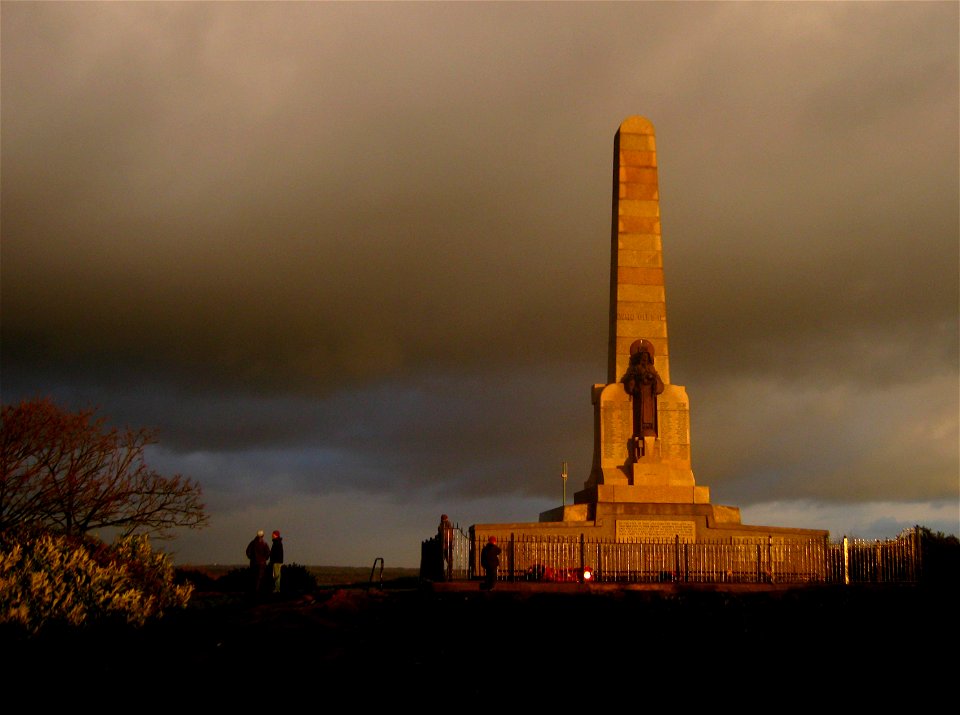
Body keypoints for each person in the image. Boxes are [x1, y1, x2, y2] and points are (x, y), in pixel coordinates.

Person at [621, 338, 664, 459]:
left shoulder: (653, 371)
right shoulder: (635, 370)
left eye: (646, 357)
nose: (644, 360)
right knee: (641, 415)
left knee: (649, 416)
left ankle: (649, 431)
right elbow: (630, 386)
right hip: (640, 398)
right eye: (642, 358)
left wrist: (653, 379)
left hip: (650, 398)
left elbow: (660, 387)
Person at [245, 529, 270, 595]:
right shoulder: (264, 543)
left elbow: (248, 551)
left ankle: (254, 591)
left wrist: (251, 558)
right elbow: (268, 553)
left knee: (253, 577)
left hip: (253, 563)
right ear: (263, 535)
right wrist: (264, 559)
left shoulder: (252, 543)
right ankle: (258, 591)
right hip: (261, 564)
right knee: (260, 578)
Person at [438, 514, 454, 581]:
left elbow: (441, 535)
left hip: (444, 545)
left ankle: (443, 575)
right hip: (448, 545)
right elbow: (451, 536)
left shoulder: (441, 526)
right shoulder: (449, 525)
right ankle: (449, 575)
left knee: (441, 561)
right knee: (450, 561)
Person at [269, 530, 284, 594]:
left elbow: (275, 553)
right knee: (277, 575)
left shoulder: (276, 543)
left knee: (276, 575)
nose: (272, 535)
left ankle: (277, 589)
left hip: (276, 562)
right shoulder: (278, 542)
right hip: (278, 561)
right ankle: (277, 588)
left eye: (273, 534)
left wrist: (272, 561)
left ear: (275, 535)